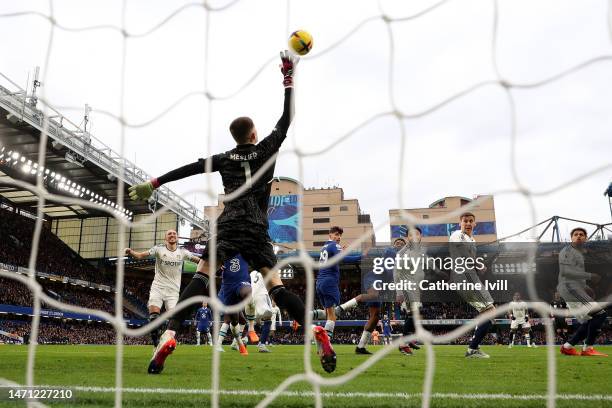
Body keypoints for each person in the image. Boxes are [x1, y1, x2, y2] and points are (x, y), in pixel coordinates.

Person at [131, 52, 335, 373]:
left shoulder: (224, 158)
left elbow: (192, 168)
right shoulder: (267, 148)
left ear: (235, 138)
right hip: (257, 228)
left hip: (227, 226)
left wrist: (155, 182)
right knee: (277, 288)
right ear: (253, 135)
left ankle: (169, 335)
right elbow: (287, 118)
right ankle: (314, 330)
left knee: (200, 278)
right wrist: (287, 77)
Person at [125, 229, 200, 347]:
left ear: (177, 237)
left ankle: (165, 338)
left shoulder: (183, 252)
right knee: (154, 316)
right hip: (158, 288)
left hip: (173, 292)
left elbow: (198, 260)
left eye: (174, 234)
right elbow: (140, 256)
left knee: (174, 319)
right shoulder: (158, 249)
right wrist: (130, 252)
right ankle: (155, 342)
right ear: (165, 238)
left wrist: (212, 264)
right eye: (169, 234)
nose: (172, 235)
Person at [449, 212, 495, 358]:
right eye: (465, 221)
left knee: (486, 312)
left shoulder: (472, 240)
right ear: (460, 223)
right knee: (490, 311)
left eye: (471, 221)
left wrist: (477, 266)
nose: (468, 223)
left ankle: (473, 347)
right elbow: (462, 253)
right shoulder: (457, 235)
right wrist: (477, 264)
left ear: (475, 224)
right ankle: (473, 348)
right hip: (464, 278)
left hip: (470, 277)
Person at [558, 227, 607, 356]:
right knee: (600, 314)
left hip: (574, 288)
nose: (578, 236)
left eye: (581, 234)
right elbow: (566, 272)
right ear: (571, 238)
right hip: (570, 289)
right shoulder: (568, 251)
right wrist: (590, 276)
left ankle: (567, 347)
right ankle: (587, 349)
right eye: (575, 234)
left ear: (586, 238)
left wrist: (585, 287)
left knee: (590, 319)